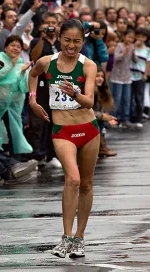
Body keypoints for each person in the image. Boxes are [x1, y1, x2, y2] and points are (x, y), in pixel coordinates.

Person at [29, 19, 99, 258]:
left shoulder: (88, 66)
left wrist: (75, 94)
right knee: (73, 179)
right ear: (59, 38)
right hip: (63, 131)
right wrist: (33, 100)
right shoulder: (47, 63)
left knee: (87, 184)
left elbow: (90, 101)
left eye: (77, 41)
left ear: (83, 41)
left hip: (88, 128)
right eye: (67, 40)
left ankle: (80, 238)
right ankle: (66, 237)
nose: (71, 46)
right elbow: (32, 74)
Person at [0, 35, 33, 158]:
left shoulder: (22, 64)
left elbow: (24, 88)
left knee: (14, 132)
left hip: (13, 105)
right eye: (12, 45)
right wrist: (11, 64)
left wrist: (22, 73)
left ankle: (16, 161)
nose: (15, 48)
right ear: (5, 47)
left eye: (18, 47)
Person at [27, 11, 62, 168]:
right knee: (40, 121)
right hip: (40, 86)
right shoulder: (36, 41)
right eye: (47, 23)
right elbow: (33, 58)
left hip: (58, 87)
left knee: (56, 121)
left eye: (53, 23)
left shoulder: (62, 42)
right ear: (41, 25)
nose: (51, 26)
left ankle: (52, 154)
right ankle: (38, 154)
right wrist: (42, 37)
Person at [110, 28, 136, 127]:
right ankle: (113, 119)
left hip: (127, 77)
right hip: (117, 76)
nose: (130, 39)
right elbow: (116, 59)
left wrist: (133, 53)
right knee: (117, 98)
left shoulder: (132, 47)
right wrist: (125, 52)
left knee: (127, 99)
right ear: (124, 37)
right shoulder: (119, 46)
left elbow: (135, 60)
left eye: (132, 38)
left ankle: (125, 118)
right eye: (129, 37)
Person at [130, 28, 150, 127]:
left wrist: (145, 75)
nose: (140, 38)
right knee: (130, 98)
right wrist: (134, 46)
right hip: (129, 75)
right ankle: (130, 117)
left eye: (143, 37)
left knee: (139, 97)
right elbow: (131, 58)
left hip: (140, 76)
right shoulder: (131, 47)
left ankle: (138, 118)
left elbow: (148, 63)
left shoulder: (147, 50)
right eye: (138, 36)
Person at [94, 68, 117, 157]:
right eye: (97, 76)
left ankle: (103, 147)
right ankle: (102, 148)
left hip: (95, 117)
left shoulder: (100, 90)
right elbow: (87, 112)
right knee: (99, 122)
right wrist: (103, 116)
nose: (100, 79)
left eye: (102, 76)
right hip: (84, 119)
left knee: (102, 122)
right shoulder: (91, 90)